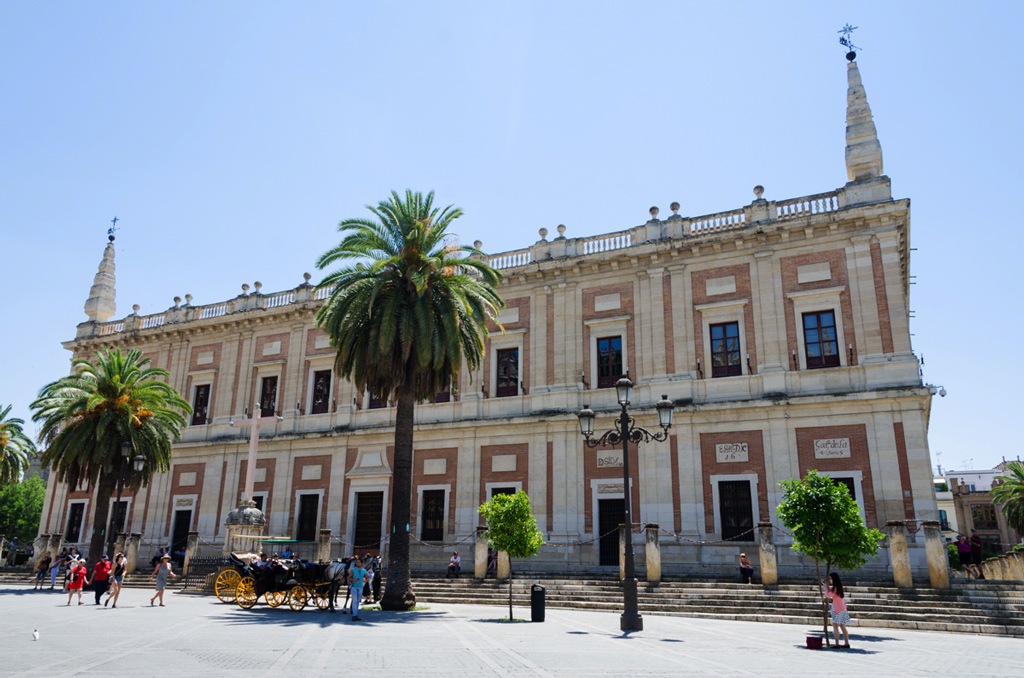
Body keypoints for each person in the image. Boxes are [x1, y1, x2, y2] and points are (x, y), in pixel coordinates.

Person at [822, 572, 851, 649]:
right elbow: (830, 592)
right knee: (842, 626)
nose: (830, 580)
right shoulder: (838, 587)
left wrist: (825, 587)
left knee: (835, 626)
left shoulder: (835, 588)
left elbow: (828, 595)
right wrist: (827, 587)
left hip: (837, 609)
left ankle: (837, 643)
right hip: (843, 608)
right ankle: (846, 643)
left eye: (830, 578)